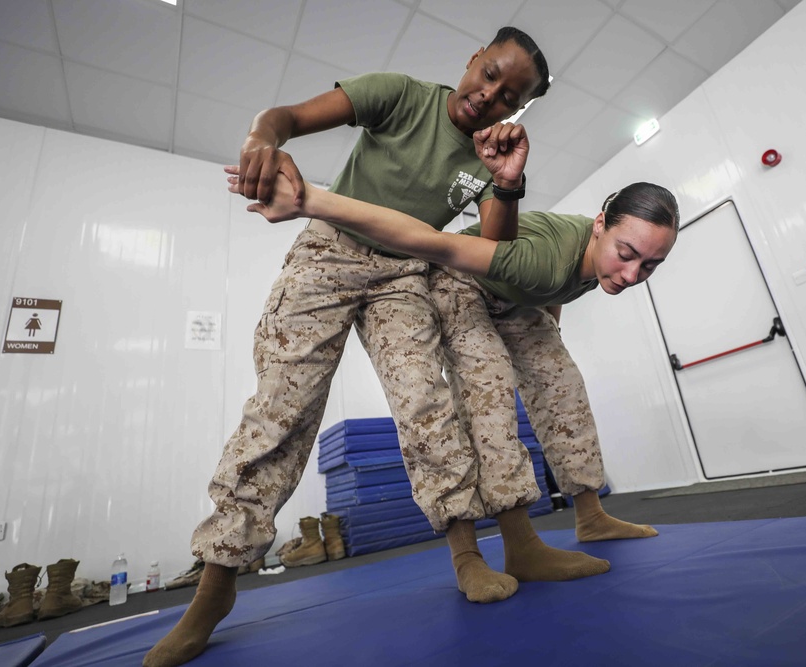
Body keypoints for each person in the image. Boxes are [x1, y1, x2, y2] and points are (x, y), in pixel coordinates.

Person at [145, 27, 588, 667]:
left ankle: (467, 555)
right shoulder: (401, 97)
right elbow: (287, 117)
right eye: (489, 74)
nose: (488, 96)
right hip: (330, 252)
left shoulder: (490, 156)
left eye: (508, 97)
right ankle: (215, 587)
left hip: (404, 275)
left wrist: (508, 184)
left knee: (426, 406)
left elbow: (495, 254)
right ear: (471, 59)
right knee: (281, 411)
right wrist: (261, 140)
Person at [227, 169, 680, 595]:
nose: (632, 274)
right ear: (600, 225)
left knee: (563, 388)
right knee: (490, 393)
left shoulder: (594, 258)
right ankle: (514, 546)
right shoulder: (541, 256)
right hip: (458, 280)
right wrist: (312, 201)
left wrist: (549, 339)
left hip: (512, 293)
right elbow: (438, 247)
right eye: (626, 255)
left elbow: (552, 289)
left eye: (650, 266)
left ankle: (591, 515)